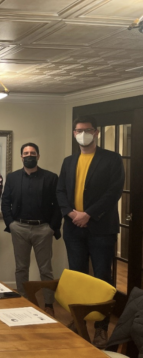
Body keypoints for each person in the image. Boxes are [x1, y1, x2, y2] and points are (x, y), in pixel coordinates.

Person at [57, 115, 124, 348]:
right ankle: (78, 322)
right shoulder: (68, 161)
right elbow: (61, 191)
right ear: (74, 134)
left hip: (101, 228)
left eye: (86, 130)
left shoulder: (111, 159)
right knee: (77, 277)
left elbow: (113, 192)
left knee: (102, 278)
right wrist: (72, 213)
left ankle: (101, 328)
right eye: (78, 130)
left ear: (95, 133)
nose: (82, 134)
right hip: (74, 228)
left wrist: (89, 214)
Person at [1, 142, 61, 316]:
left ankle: (48, 304)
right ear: (21, 156)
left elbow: (58, 205)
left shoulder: (50, 178)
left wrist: (52, 227)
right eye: (25, 153)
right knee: (21, 267)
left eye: (32, 153)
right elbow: (5, 202)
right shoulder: (12, 178)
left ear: (38, 156)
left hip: (43, 229)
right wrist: (10, 223)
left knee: (46, 269)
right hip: (19, 227)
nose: (29, 156)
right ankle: (23, 300)